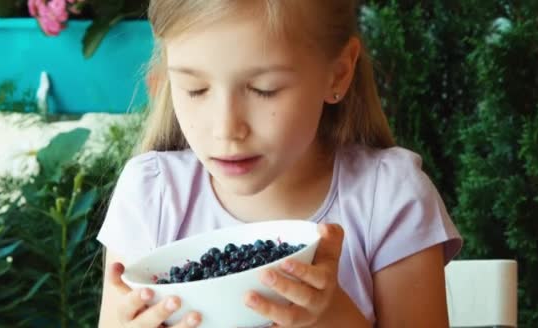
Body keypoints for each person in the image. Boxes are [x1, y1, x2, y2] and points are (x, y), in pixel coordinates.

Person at [97, 0, 463, 327]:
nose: (227, 129)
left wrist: (335, 318)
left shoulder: (389, 197)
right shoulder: (151, 195)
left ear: (337, 74)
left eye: (264, 89)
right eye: (195, 89)